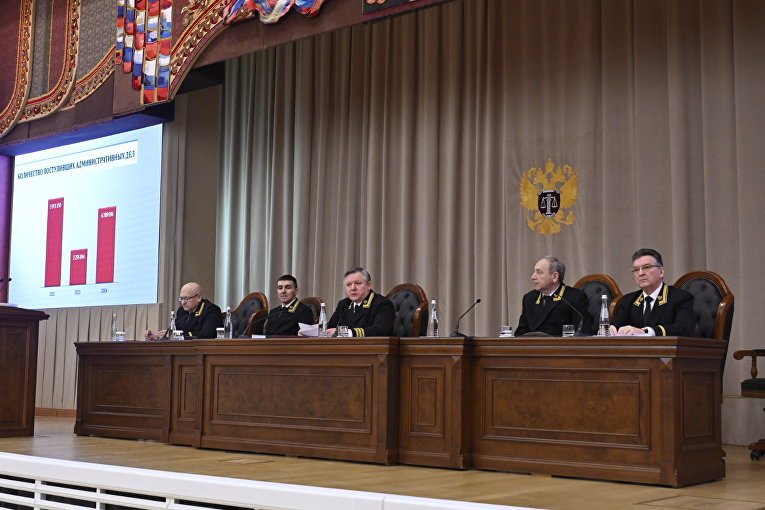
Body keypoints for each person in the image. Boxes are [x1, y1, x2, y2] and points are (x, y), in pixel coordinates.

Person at [610, 248, 694, 336]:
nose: (640, 273)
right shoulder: (627, 301)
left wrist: (646, 332)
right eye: (636, 269)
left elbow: (684, 329)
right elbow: (615, 326)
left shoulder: (680, 298)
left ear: (661, 272)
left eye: (646, 267)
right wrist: (611, 329)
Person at [515, 256, 592, 336]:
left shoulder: (574, 298)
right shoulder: (529, 298)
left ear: (554, 276)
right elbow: (520, 334)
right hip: (532, 344)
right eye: (534, 272)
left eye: (539, 272)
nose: (533, 277)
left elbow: (583, 334)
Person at [326, 266, 395, 337]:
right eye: (349, 284)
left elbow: (381, 330)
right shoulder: (343, 304)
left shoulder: (382, 304)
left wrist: (343, 332)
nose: (353, 288)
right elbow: (329, 328)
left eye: (358, 283)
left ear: (368, 285)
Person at [144, 282, 223, 340]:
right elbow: (176, 332)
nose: (183, 302)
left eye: (186, 298)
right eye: (181, 299)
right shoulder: (182, 311)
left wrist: (174, 335)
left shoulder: (212, 310)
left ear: (198, 297)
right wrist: (158, 336)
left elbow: (207, 335)